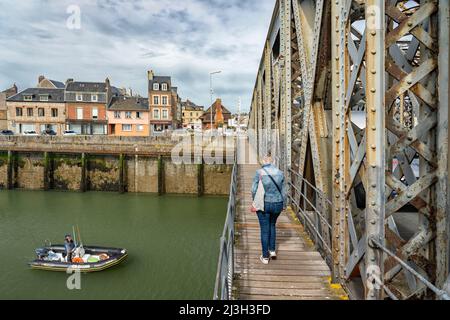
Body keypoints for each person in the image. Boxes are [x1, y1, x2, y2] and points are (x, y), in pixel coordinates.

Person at [251, 153, 286, 265]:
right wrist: (284, 204)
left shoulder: (259, 172)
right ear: (272, 162)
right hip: (277, 203)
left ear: (263, 162)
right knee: (272, 225)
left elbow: (253, 189)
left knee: (264, 230)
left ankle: (265, 257)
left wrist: (254, 201)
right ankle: (272, 251)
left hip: (264, 204)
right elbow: (284, 192)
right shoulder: (280, 173)